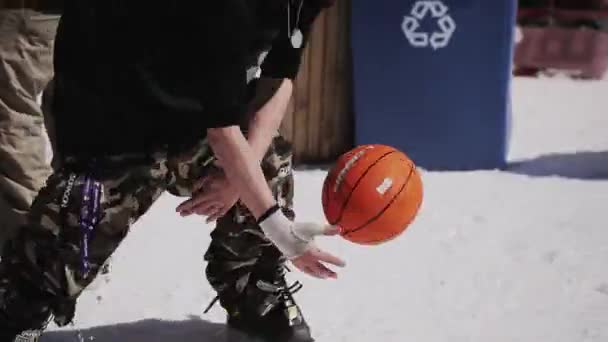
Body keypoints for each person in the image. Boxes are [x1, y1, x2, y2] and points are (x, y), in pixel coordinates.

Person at [0, 1, 343, 342]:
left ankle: (254, 292)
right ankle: (17, 306)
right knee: (58, 255)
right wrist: (279, 229)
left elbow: (279, 75)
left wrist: (240, 181)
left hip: (193, 119)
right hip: (113, 122)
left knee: (265, 160)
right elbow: (221, 129)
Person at [0, 1, 61, 253]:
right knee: (68, 114)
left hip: (25, 8)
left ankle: (39, 251)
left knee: (11, 120)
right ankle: (72, 235)